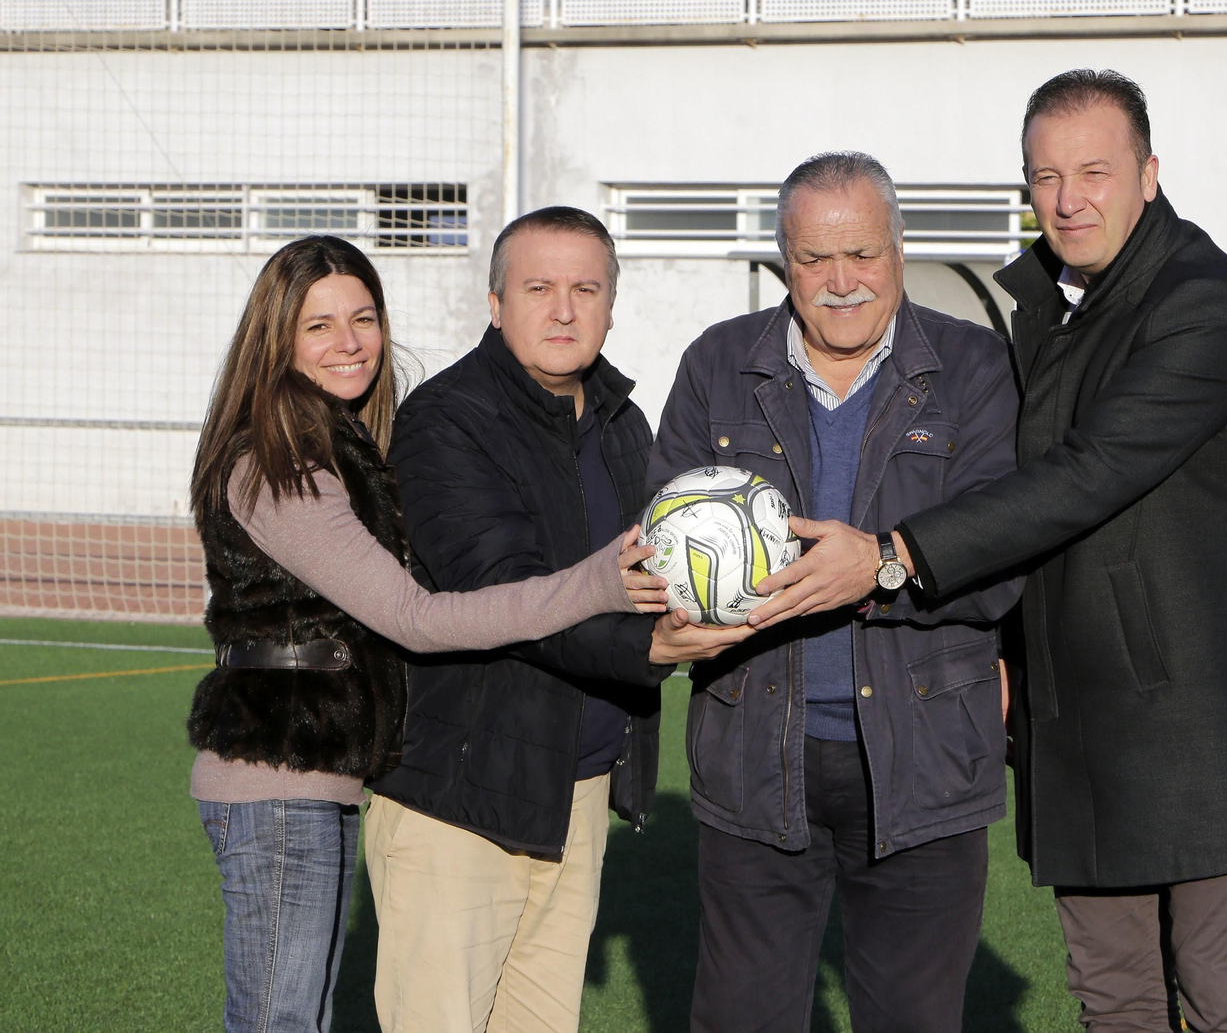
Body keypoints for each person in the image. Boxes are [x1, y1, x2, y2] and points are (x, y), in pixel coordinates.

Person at [753, 71, 1227, 1032]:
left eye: (1094, 171)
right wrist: (1007, 650)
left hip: (1202, 731)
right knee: (1117, 1005)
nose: (1068, 199)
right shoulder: (1052, 299)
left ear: (1150, 172)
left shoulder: (1204, 304)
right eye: (1045, 176)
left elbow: (1087, 475)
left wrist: (892, 556)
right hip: (1077, 719)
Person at [185, 235, 667, 1033]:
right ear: (277, 339)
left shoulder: (340, 448)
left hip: (320, 777)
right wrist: (596, 584)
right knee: (277, 1022)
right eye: (318, 326)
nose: (349, 343)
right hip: (276, 782)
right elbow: (416, 618)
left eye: (363, 318)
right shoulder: (278, 466)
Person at [649, 151, 1024, 1033]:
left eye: (863, 254)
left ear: (899, 248)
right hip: (753, 756)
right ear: (784, 259)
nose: (842, 281)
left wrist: (886, 565)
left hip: (927, 758)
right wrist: (686, 598)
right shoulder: (718, 363)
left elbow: (1008, 556)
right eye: (815, 259)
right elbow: (657, 532)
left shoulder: (974, 367)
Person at [362, 207, 751, 1033]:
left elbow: (652, 568)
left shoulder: (621, 421)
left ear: (613, 303)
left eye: (586, 288)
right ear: (497, 302)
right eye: (539, 288)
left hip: (572, 795)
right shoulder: (445, 423)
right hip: (459, 800)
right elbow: (505, 590)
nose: (565, 310)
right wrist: (651, 646)